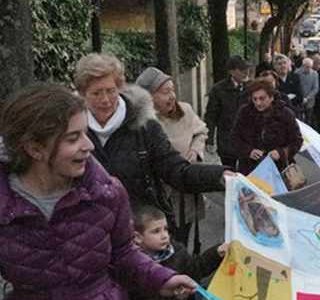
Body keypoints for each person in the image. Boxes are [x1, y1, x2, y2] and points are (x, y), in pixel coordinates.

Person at [0, 84, 196, 300]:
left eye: (85, 132)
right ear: (35, 148)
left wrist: (161, 277)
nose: (88, 145)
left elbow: (124, 254)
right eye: (73, 138)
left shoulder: (106, 193)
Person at [74, 53, 227, 230]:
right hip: (90, 230)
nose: (105, 100)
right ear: (82, 94)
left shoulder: (145, 127)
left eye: (110, 91)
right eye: (96, 93)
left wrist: (220, 176)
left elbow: (176, 170)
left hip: (141, 230)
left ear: (120, 88)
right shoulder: (71, 130)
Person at [136, 67, 208, 248]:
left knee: (182, 241)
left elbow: (201, 132)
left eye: (172, 90)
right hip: (158, 198)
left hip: (185, 193)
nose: (172, 96)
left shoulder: (185, 111)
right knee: (159, 245)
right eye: (165, 92)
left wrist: (195, 150)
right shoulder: (141, 124)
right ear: (149, 96)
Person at [231, 78, 303, 176]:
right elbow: (234, 137)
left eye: (262, 98)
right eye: (255, 99)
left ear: (271, 97)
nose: (258, 103)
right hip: (249, 169)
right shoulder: (245, 113)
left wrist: (281, 153)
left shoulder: (285, 114)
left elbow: (297, 140)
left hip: (278, 170)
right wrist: (249, 151)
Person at [205, 54, 250, 168]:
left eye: (247, 68)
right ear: (232, 71)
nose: (246, 72)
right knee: (230, 171)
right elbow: (211, 116)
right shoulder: (218, 90)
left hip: (248, 140)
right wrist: (209, 139)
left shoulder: (251, 87)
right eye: (242, 69)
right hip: (227, 140)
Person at [273, 53, 303, 119]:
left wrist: (284, 97)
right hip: (278, 114)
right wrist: (289, 96)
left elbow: (300, 97)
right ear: (275, 66)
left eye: (284, 63)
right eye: (280, 64)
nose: (283, 65)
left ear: (288, 64)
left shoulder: (295, 77)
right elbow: (275, 99)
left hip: (294, 113)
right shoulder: (273, 79)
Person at [294, 57, 319, 125]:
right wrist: (301, 97)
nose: (309, 69)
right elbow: (295, 87)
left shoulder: (315, 74)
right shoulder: (297, 72)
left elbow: (316, 88)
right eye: (307, 67)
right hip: (299, 100)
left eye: (310, 67)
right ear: (303, 66)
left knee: (308, 120)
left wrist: (307, 98)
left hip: (310, 101)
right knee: (299, 120)